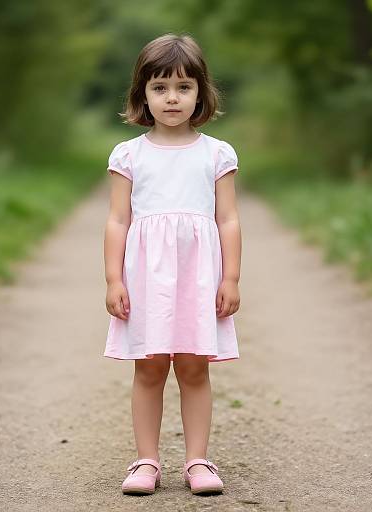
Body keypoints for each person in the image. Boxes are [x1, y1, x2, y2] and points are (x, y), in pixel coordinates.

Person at [103, 33, 242, 496]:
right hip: (146, 279)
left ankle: (198, 461)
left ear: (201, 92)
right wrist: (113, 279)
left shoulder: (216, 154)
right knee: (149, 366)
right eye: (160, 87)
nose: (172, 98)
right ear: (142, 93)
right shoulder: (129, 155)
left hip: (197, 278)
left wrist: (231, 277)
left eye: (183, 87)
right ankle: (146, 461)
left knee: (194, 366)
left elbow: (228, 219)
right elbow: (118, 221)